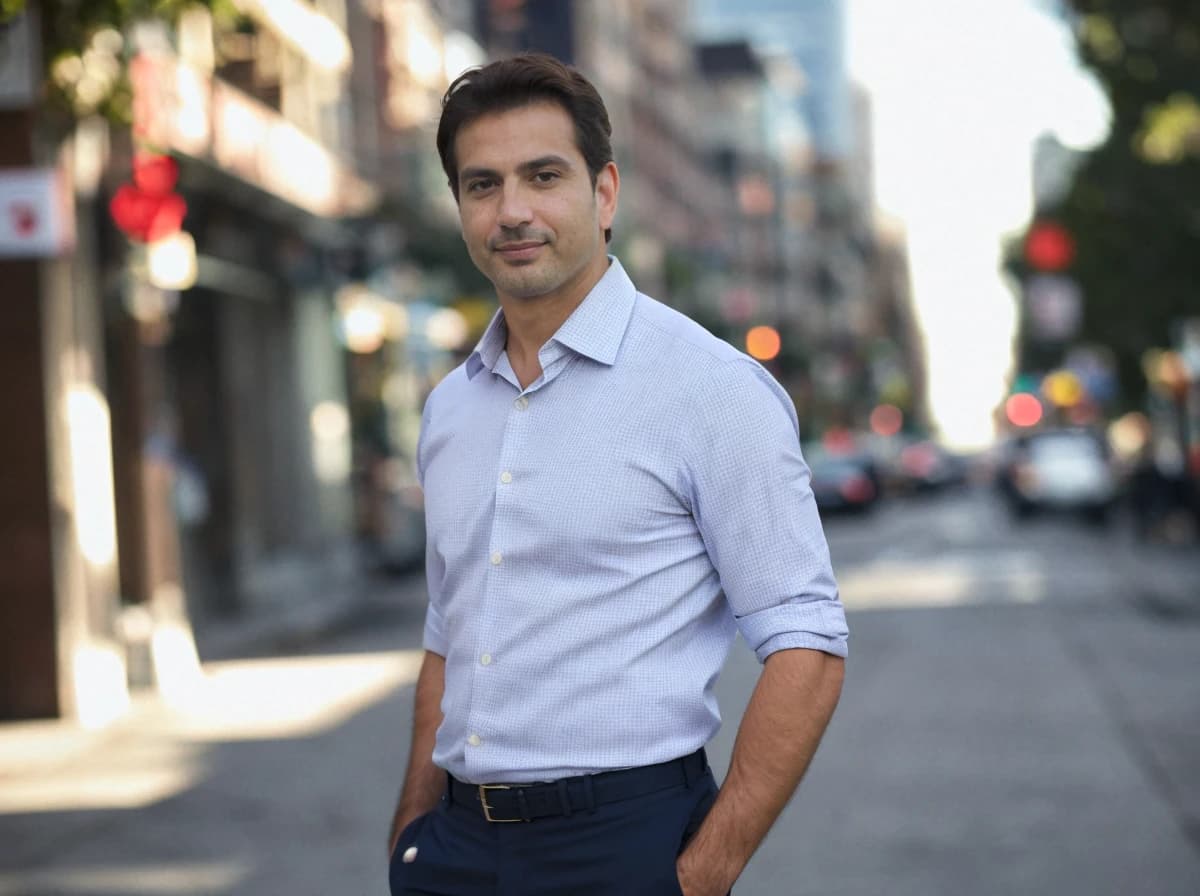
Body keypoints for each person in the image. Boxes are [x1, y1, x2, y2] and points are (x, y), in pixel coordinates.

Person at [387, 52, 848, 896]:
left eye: (543, 176)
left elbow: (808, 644)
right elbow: (446, 641)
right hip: (453, 853)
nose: (512, 211)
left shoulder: (710, 389)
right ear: (458, 207)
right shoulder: (449, 408)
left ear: (605, 195)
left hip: (625, 847)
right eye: (482, 185)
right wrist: (410, 839)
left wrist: (700, 877)